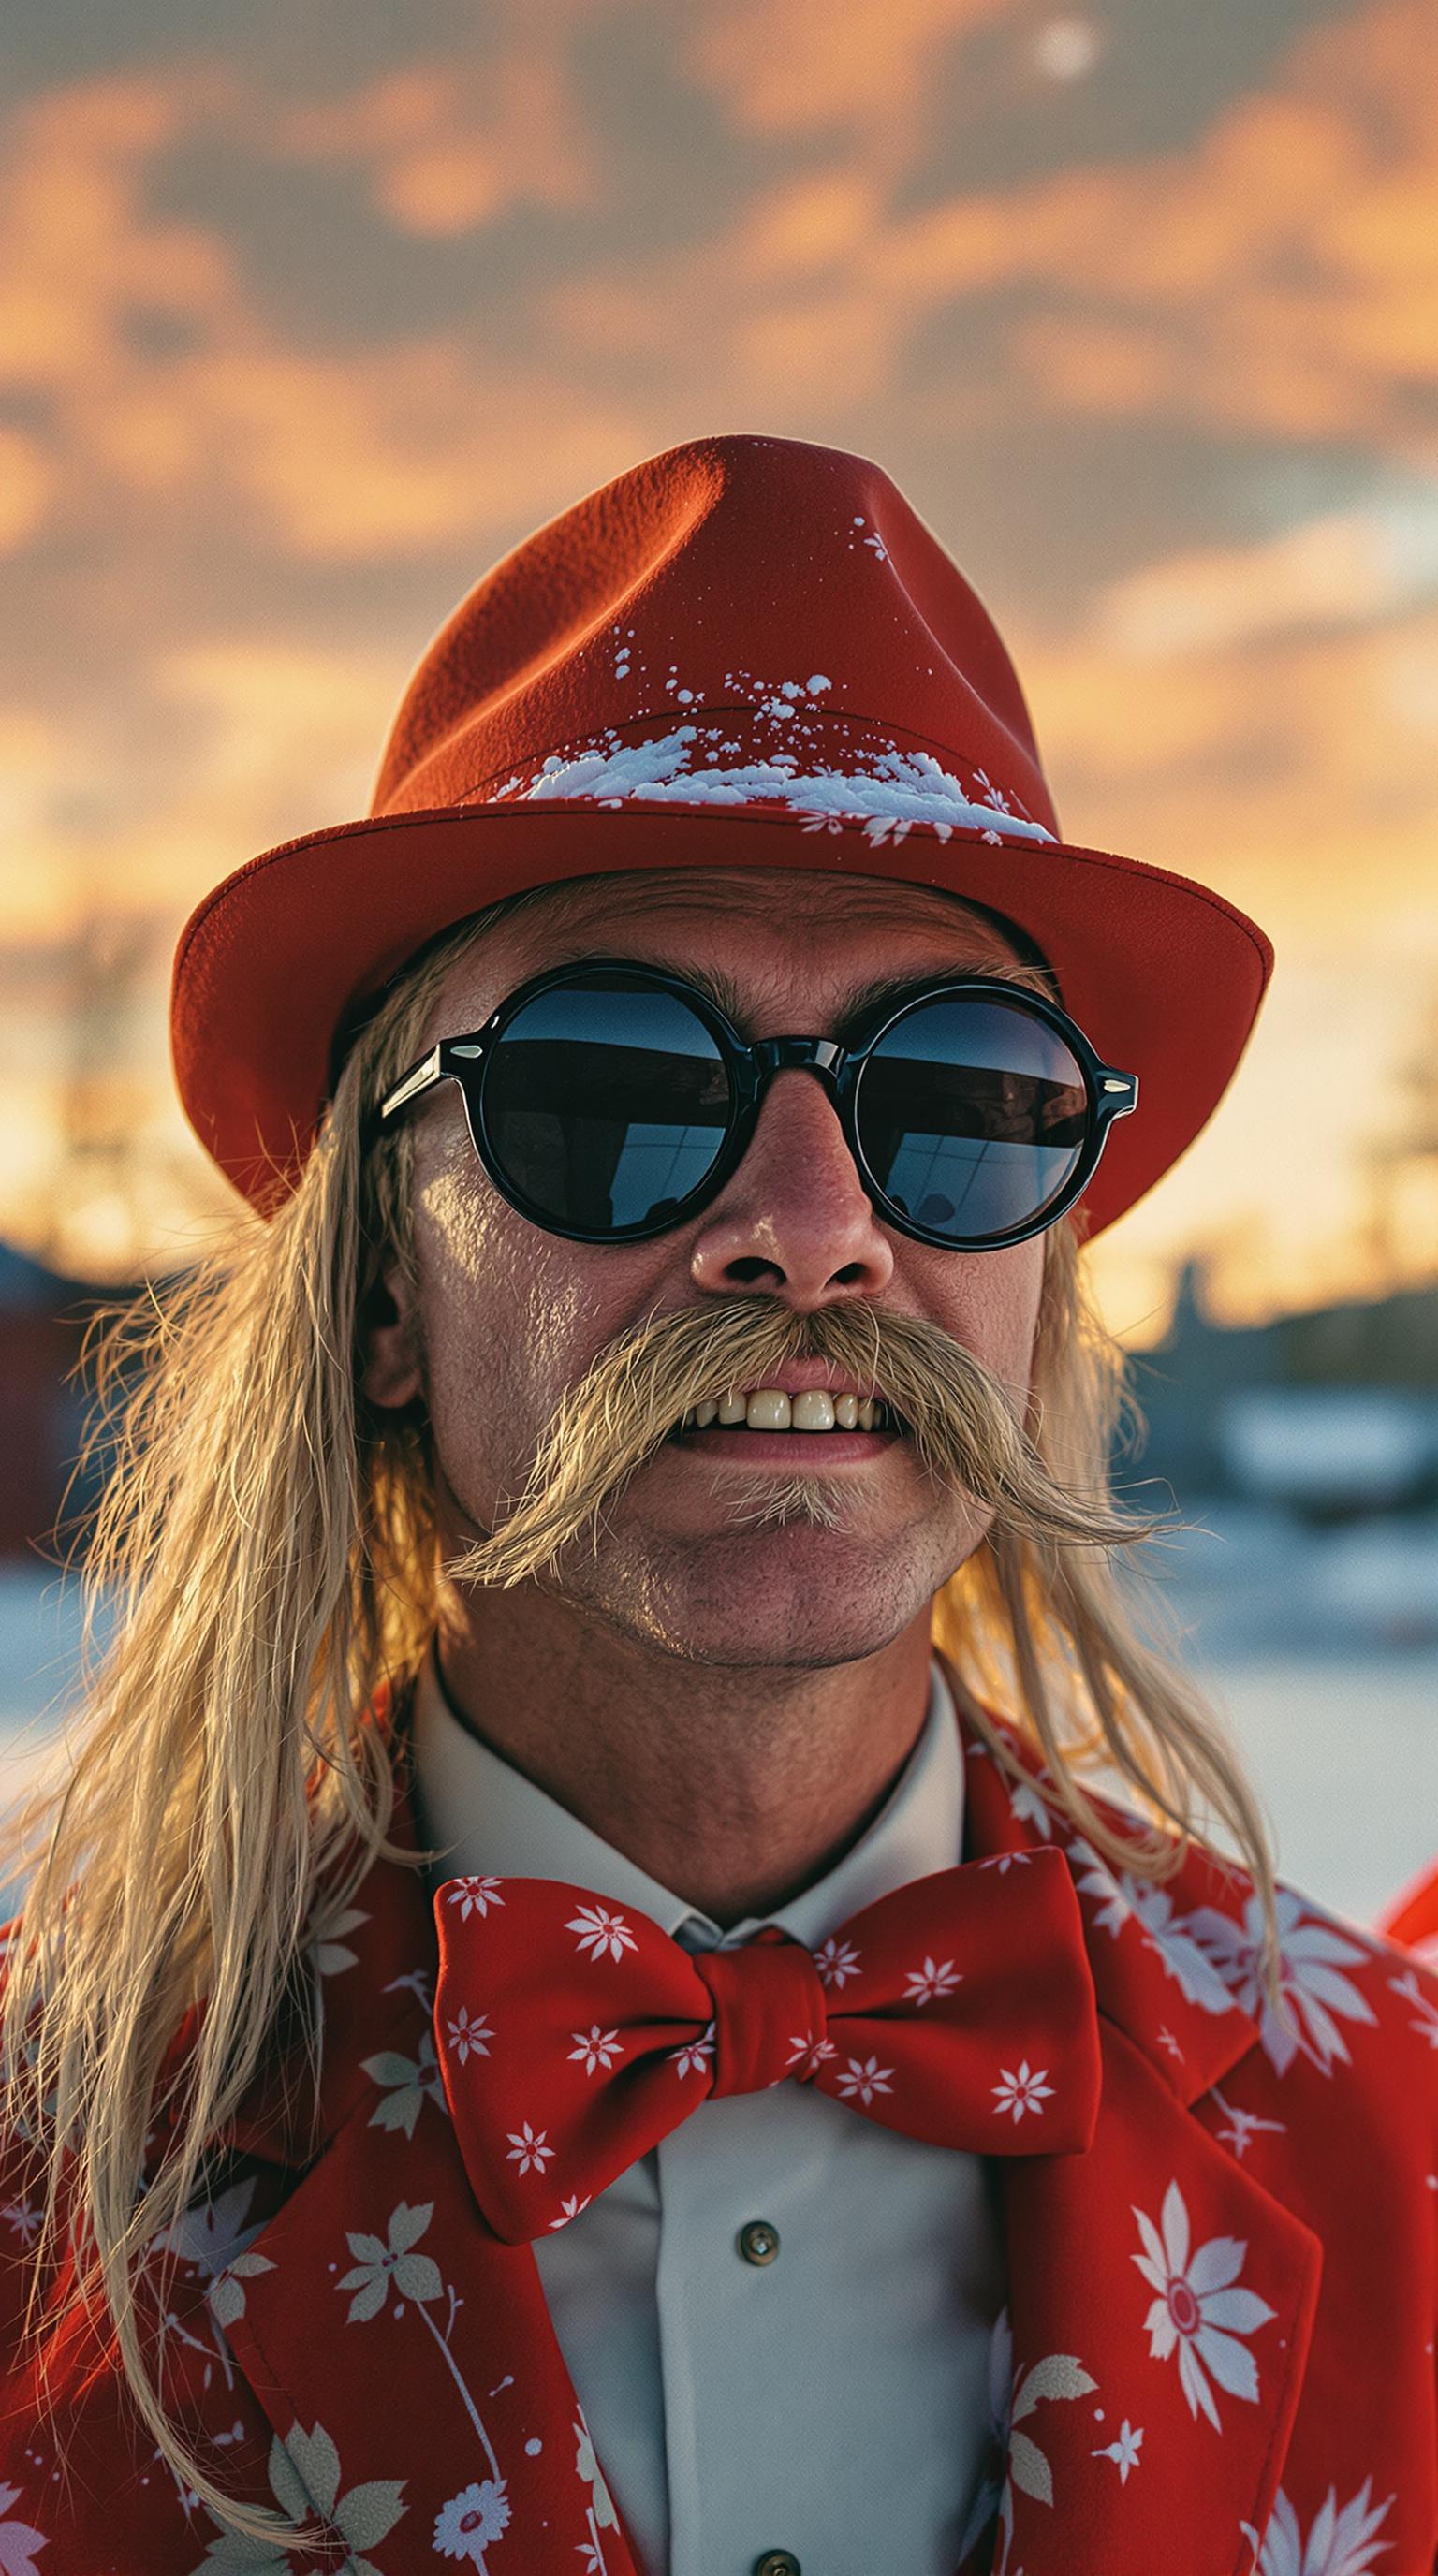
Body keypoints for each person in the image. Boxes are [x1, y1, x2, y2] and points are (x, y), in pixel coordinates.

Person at [0, 435, 1432, 2576]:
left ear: (1045, 1285)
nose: (815, 1226)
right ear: (382, 1287)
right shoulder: (39, 2159)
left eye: (958, 1101)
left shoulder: (1404, 2123)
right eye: (614, 1084)